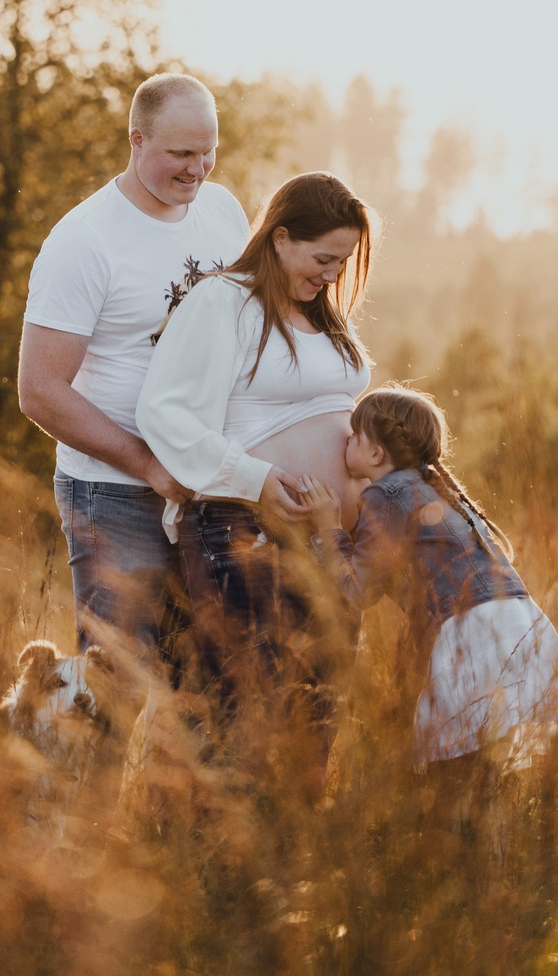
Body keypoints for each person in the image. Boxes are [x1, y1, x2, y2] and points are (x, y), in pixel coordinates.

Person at [19, 73, 252, 666]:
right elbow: (41, 392)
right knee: (114, 692)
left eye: (209, 152)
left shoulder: (223, 211)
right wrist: (149, 465)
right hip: (116, 493)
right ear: (136, 139)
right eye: (181, 154)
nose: (198, 169)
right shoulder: (84, 241)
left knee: (200, 691)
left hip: (211, 487)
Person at [133, 171, 373, 733]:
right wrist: (257, 479)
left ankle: (293, 826)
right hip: (242, 533)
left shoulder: (321, 315)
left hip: (329, 544)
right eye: (324, 258)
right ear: (281, 238)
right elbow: (163, 411)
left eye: (344, 261)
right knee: (243, 714)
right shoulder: (224, 300)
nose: (334, 274)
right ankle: (207, 825)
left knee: (317, 713)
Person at [302, 386, 558, 777]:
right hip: (512, 624)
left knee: (453, 778)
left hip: (470, 634)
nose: (346, 439)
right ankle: (487, 840)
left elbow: (359, 590)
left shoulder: (385, 495)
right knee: (483, 775)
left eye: (354, 434)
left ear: (375, 454)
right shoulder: (426, 487)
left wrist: (328, 528)